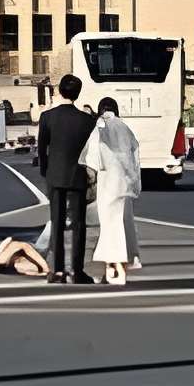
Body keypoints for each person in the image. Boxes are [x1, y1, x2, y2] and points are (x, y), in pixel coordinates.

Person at [33, 75, 98, 284]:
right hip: (77, 175)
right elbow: (92, 151)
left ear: (60, 91)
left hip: (55, 174)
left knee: (57, 222)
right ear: (78, 94)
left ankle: (58, 270)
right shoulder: (87, 121)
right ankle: (77, 270)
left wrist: (45, 170)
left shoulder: (48, 117)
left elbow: (42, 148)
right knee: (79, 224)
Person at [86, 97, 143, 284]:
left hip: (107, 183)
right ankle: (123, 265)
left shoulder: (99, 128)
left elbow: (92, 159)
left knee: (110, 227)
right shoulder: (125, 129)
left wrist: (91, 180)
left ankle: (113, 269)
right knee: (124, 224)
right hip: (124, 184)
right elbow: (135, 155)